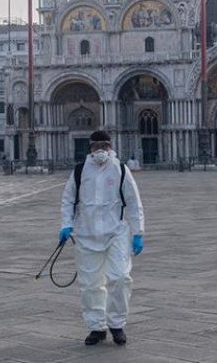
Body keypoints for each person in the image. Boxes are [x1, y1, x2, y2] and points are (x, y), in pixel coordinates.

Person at [59, 130, 145, 346]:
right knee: (90, 284)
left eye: (103, 145)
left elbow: (134, 203)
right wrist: (66, 224)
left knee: (120, 277)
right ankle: (97, 326)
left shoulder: (121, 170)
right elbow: (68, 199)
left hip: (116, 231)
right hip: (86, 233)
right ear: (90, 147)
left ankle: (117, 324)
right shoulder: (79, 171)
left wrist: (138, 233)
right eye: (96, 145)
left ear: (110, 146)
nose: (100, 150)